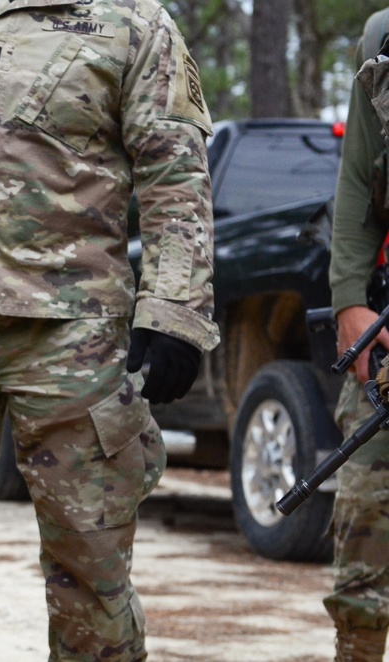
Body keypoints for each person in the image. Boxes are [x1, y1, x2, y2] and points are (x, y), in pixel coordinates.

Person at [0, 1, 218, 660]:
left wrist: (174, 309)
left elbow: (174, 176)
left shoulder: (134, 24)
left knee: (91, 568)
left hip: (75, 338)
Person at [326, 8, 389, 661]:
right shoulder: (384, 40)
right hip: (384, 320)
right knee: (366, 506)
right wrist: (349, 300)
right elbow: (357, 179)